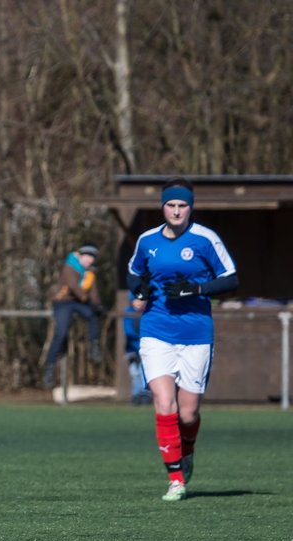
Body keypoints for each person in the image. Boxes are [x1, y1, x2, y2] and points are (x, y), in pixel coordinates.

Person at [127, 178, 238, 501]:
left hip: (196, 333)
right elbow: (134, 272)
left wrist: (197, 289)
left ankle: (186, 450)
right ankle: (175, 478)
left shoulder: (205, 239)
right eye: (171, 205)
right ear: (163, 207)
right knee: (164, 403)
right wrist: (139, 289)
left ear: (190, 207)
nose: (176, 211)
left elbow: (231, 278)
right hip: (157, 330)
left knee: (187, 414)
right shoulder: (148, 240)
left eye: (182, 205)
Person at [43, 243, 104, 387]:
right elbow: (73, 287)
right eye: (88, 257)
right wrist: (89, 301)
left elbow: (93, 291)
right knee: (61, 334)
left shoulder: (89, 272)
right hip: (64, 302)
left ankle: (94, 347)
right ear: (81, 256)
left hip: (78, 303)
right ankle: (49, 368)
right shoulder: (70, 266)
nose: (91, 260)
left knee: (92, 316)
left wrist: (98, 305)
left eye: (93, 258)